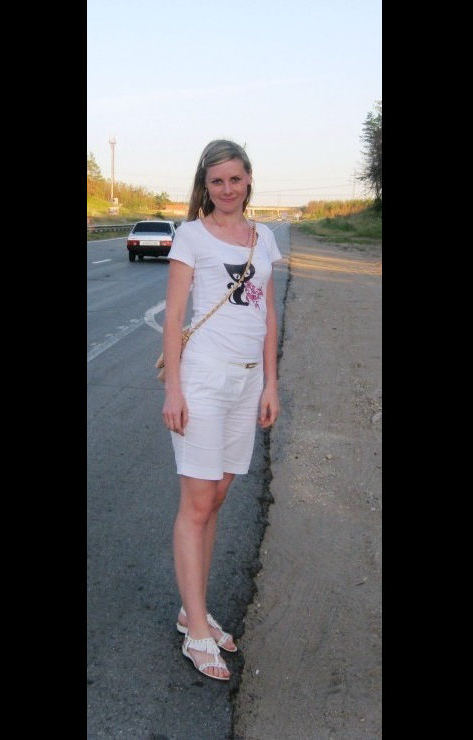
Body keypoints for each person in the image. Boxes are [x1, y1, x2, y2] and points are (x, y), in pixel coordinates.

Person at [161, 140, 282, 681]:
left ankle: (194, 610)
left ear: (249, 179)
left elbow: (268, 317)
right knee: (196, 502)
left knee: (216, 498)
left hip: (247, 383)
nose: (227, 189)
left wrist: (271, 384)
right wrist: (174, 391)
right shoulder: (191, 236)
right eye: (217, 181)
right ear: (204, 186)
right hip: (204, 382)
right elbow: (173, 318)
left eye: (235, 179)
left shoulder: (264, 238)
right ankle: (197, 632)